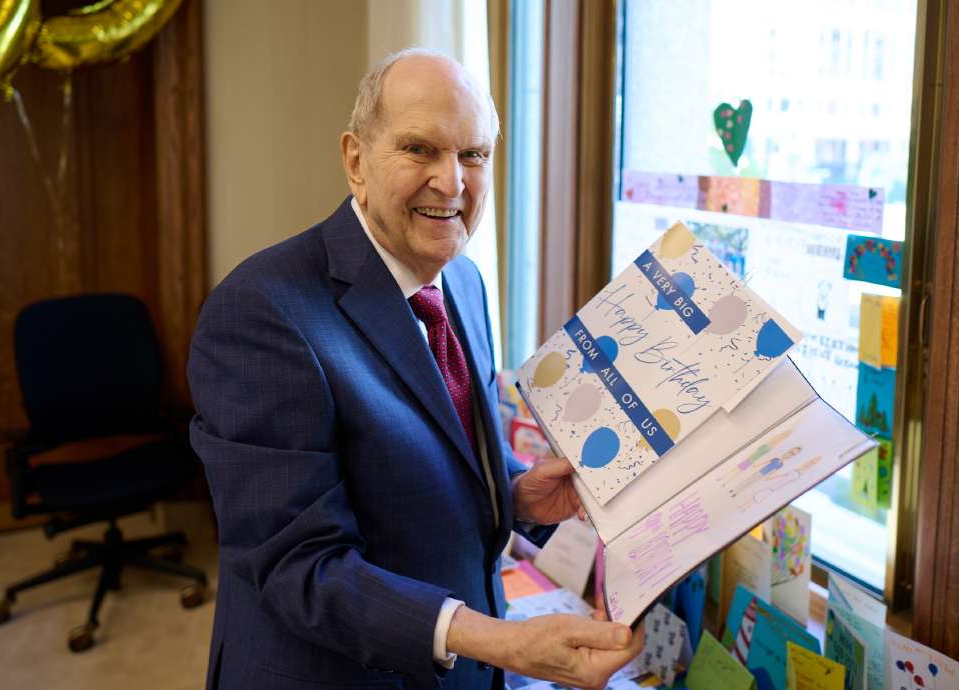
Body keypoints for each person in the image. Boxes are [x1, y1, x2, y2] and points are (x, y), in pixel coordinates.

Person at [187, 48, 644, 690]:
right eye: (419, 150)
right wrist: (503, 643)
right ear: (356, 161)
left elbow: (421, 463)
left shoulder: (463, 281)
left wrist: (512, 495)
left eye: (474, 155)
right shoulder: (260, 311)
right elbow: (298, 564)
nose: (452, 182)